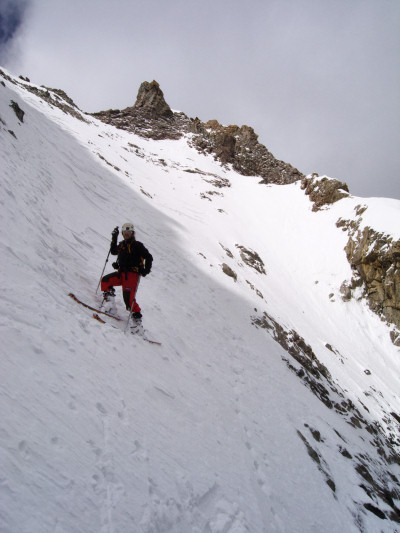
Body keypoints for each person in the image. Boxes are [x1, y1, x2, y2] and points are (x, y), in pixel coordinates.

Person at [100, 223, 153, 322]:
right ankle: (110, 304)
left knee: (128, 300)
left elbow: (149, 257)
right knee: (105, 280)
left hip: (132, 275)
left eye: (128, 232)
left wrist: (145, 270)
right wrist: (114, 238)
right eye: (124, 232)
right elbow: (113, 251)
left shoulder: (137, 245)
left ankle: (137, 322)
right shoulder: (122, 244)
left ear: (132, 233)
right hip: (121, 273)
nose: (126, 234)